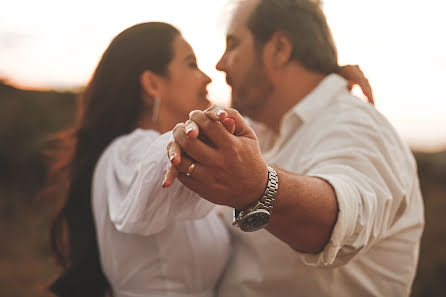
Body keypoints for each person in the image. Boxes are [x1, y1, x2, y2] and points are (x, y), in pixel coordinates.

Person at [165, 0, 425, 296]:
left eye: (234, 45)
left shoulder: (358, 125)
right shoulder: (258, 127)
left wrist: (259, 188)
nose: (221, 64)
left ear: (279, 49)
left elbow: (345, 217)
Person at [42, 22, 235, 297]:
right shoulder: (127, 153)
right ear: (152, 84)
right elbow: (154, 163)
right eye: (191, 64)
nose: (207, 78)